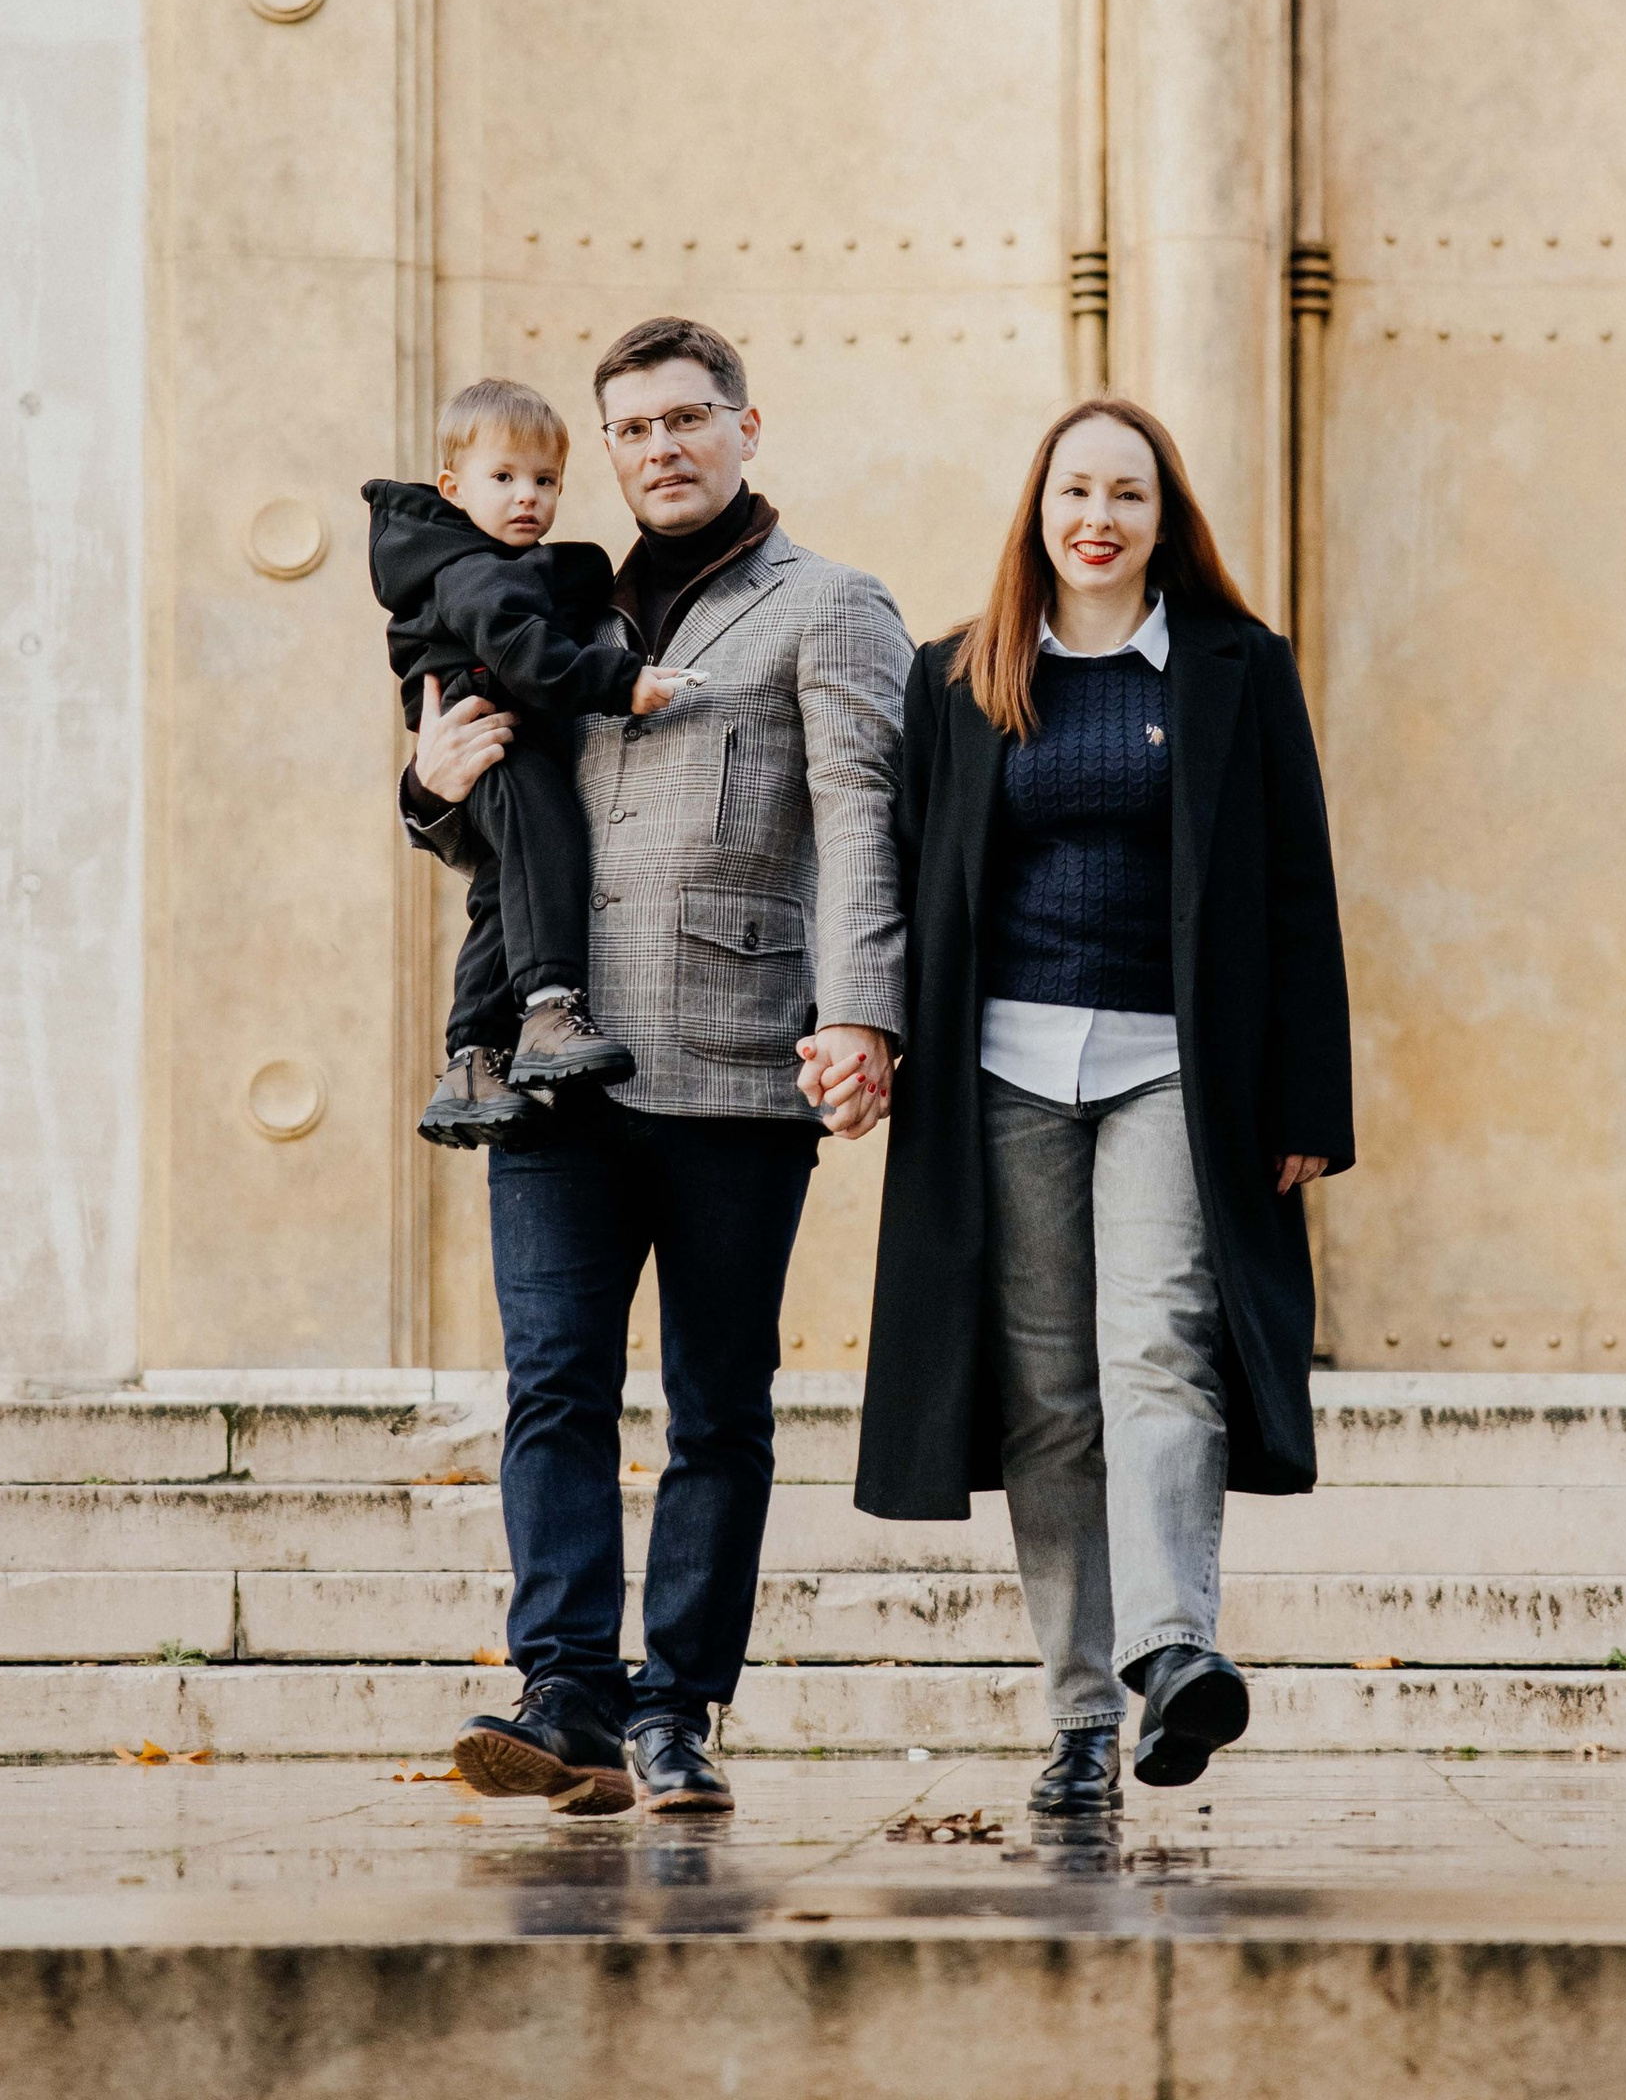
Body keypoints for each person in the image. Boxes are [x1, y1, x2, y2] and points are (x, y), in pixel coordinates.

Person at [403, 315, 910, 1816]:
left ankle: (677, 1703)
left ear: (751, 427)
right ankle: (565, 1692)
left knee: (717, 1404)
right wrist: (427, 793)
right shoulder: (548, 599)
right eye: (630, 429)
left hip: (741, 1066)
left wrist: (864, 1015)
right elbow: (490, 803)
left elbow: (865, 820)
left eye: (688, 419)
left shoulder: (833, 606)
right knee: (552, 1386)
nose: (659, 449)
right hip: (552, 1068)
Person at [851, 397, 1351, 1816]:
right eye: (1076, 491)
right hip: (1001, 1072)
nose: (1099, 519)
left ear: (1161, 518)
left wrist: (1305, 1092)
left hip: (1172, 1076)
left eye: (1127, 496)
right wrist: (868, 1034)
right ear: (1039, 509)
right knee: (1049, 1398)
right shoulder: (957, 674)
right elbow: (904, 876)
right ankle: (1077, 1716)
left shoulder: (1237, 670)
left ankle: (1174, 1648)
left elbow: (1297, 890)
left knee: (1157, 1355)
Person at [362, 377, 697, 1147]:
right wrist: (622, 681)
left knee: (501, 892)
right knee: (549, 847)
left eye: (545, 481)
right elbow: (523, 653)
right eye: (504, 478)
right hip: (501, 743)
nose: (528, 498)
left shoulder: (486, 563)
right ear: (453, 488)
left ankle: (471, 1061)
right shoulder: (472, 570)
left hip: (500, 744)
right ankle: (549, 1008)